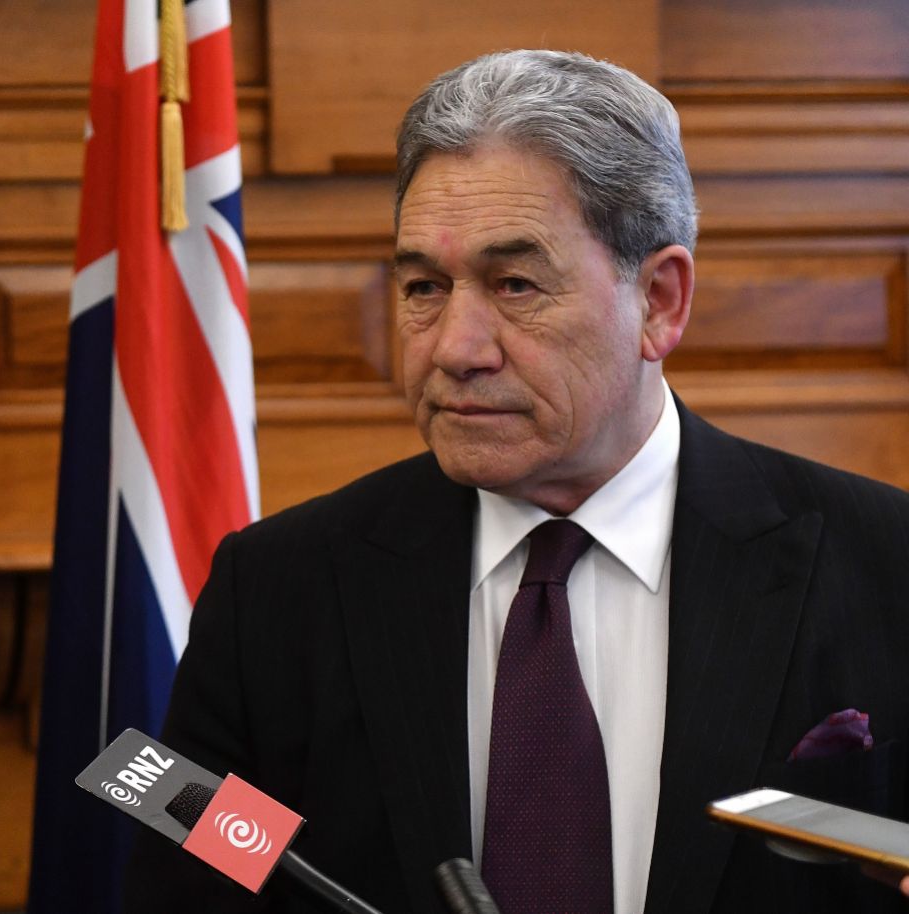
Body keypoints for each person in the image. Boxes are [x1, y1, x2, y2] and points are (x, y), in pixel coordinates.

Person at [123, 49, 909, 914]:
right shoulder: (277, 591)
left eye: (515, 285)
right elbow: (198, 886)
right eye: (424, 285)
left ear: (659, 302)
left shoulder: (886, 566)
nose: (456, 349)